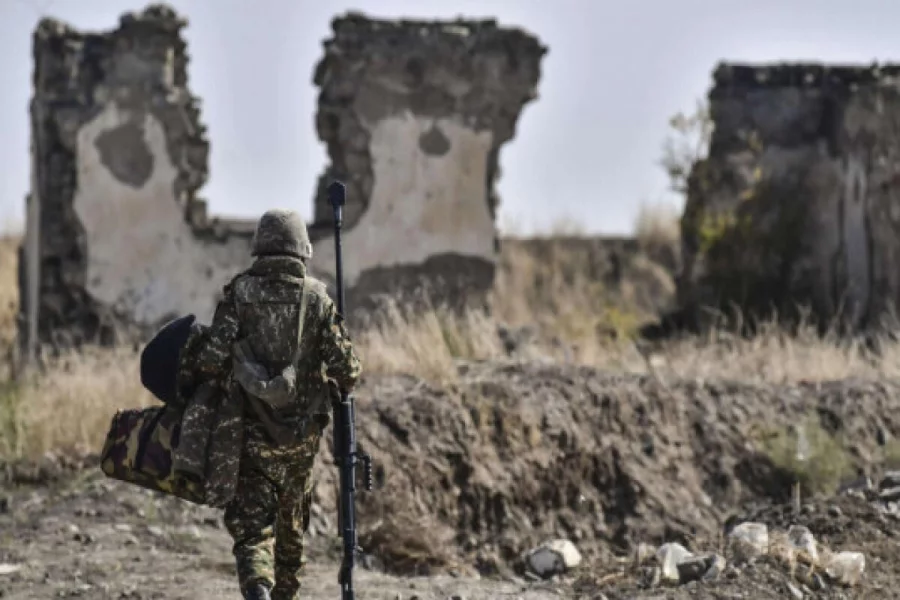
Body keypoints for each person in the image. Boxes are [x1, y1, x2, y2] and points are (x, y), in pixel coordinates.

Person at [191, 209, 362, 600]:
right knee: (290, 535)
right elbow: (347, 369)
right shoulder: (317, 299)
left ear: (260, 247)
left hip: (249, 438)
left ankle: (259, 593)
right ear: (302, 249)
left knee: (252, 532)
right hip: (299, 443)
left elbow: (211, 360)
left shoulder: (240, 294)